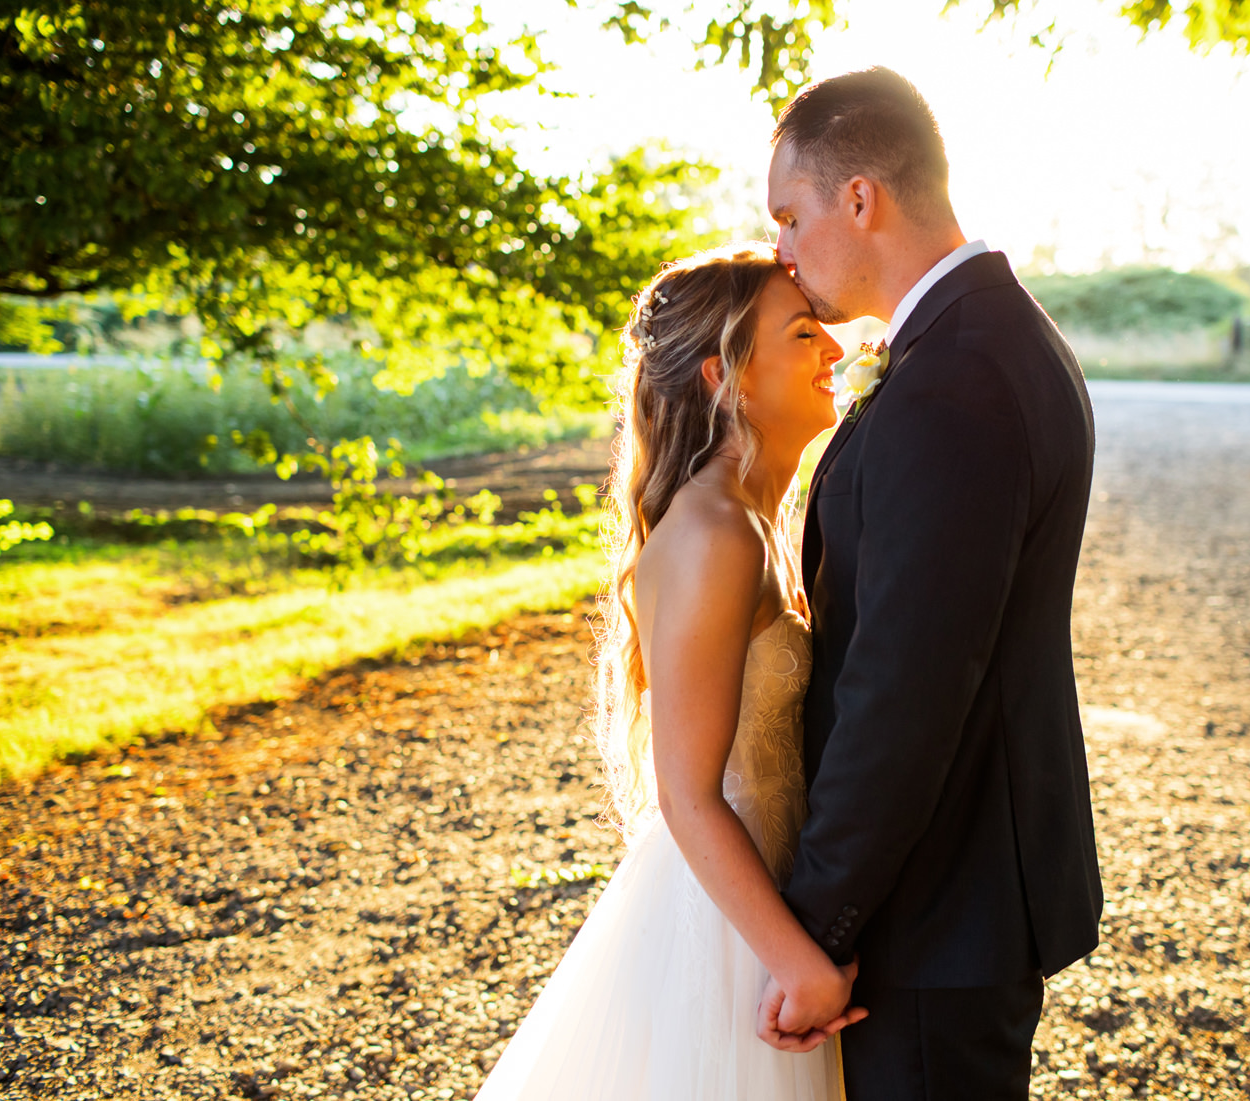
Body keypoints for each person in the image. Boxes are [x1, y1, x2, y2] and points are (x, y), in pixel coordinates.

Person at [756, 67, 1105, 1098]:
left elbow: (903, 689)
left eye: (788, 213)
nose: (779, 249)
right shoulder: (982, 342)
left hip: (935, 907)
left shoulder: (957, 376)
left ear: (858, 197)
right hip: (951, 894)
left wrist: (816, 927)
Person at [473, 243, 861, 1100]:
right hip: (724, 933)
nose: (835, 349)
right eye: (803, 335)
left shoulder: (752, 521)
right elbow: (687, 793)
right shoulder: (713, 532)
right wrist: (799, 963)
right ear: (726, 376)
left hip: (765, 901)